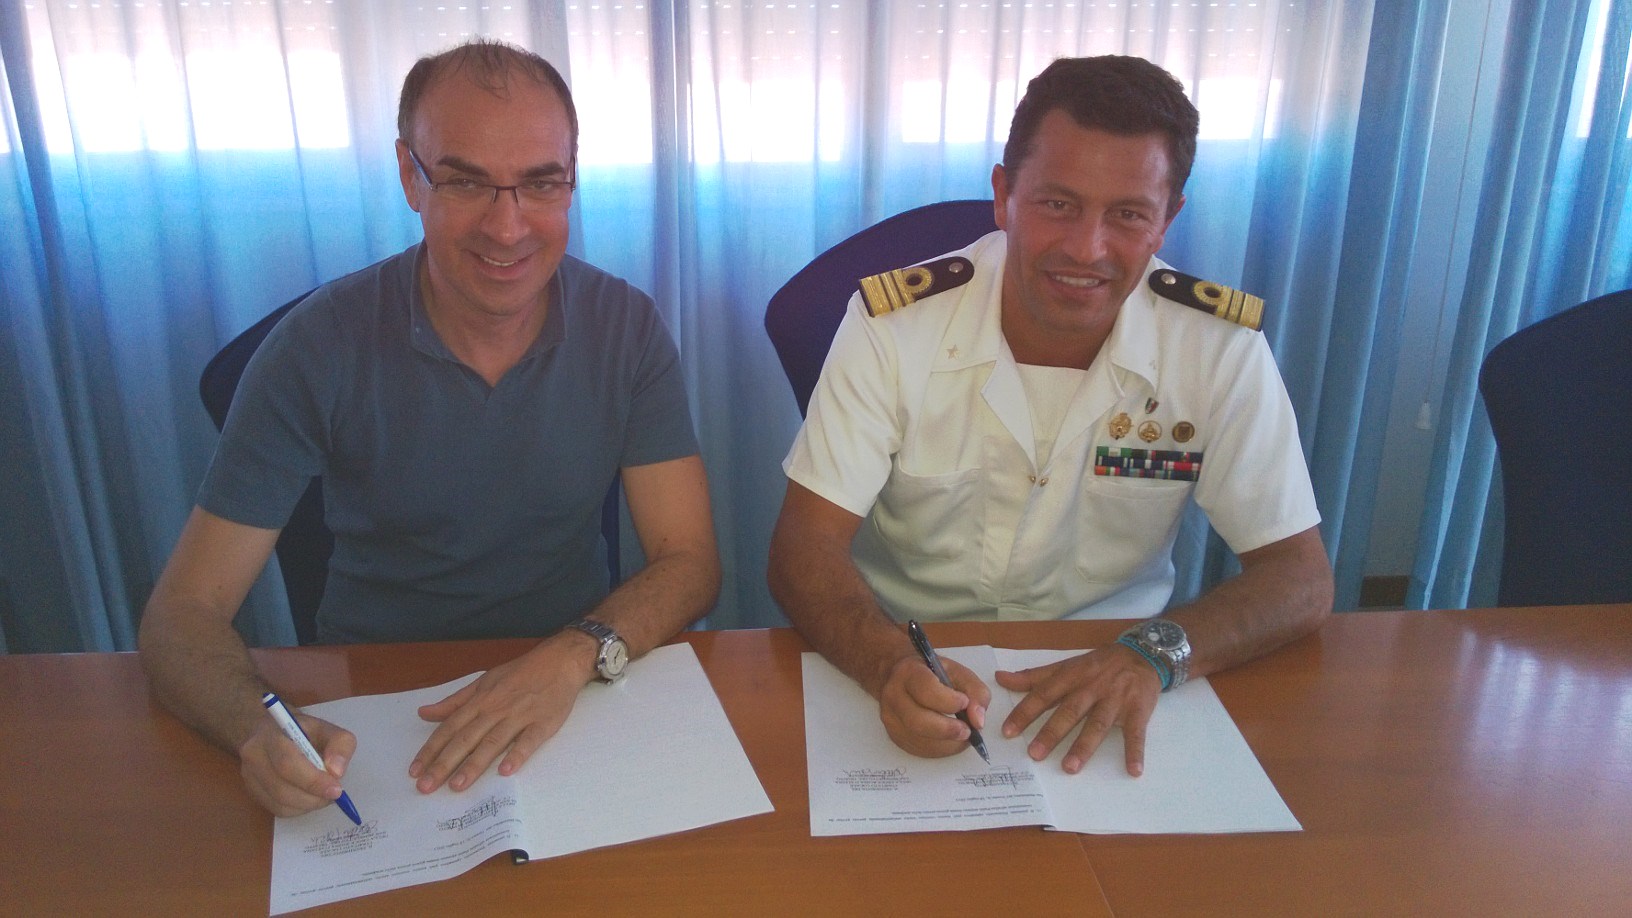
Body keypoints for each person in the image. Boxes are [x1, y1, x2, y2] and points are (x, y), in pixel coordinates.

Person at [139, 40, 720, 818]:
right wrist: (256, 729)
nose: (507, 227)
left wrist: (575, 655)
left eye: (540, 183)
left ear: (570, 180)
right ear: (411, 177)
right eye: (465, 182)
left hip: (571, 693)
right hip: (381, 715)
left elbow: (690, 562)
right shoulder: (316, 347)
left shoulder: (626, 327)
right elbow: (181, 615)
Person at [768, 55, 1332, 779]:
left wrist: (1152, 655)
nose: (1086, 250)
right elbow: (803, 549)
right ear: (1004, 196)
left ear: (1167, 220)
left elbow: (1299, 578)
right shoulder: (893, 328)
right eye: (1058, 205)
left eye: (1128, 214)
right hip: (914, 660)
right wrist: (887, 665)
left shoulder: (1216, 349)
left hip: (1118, 670)